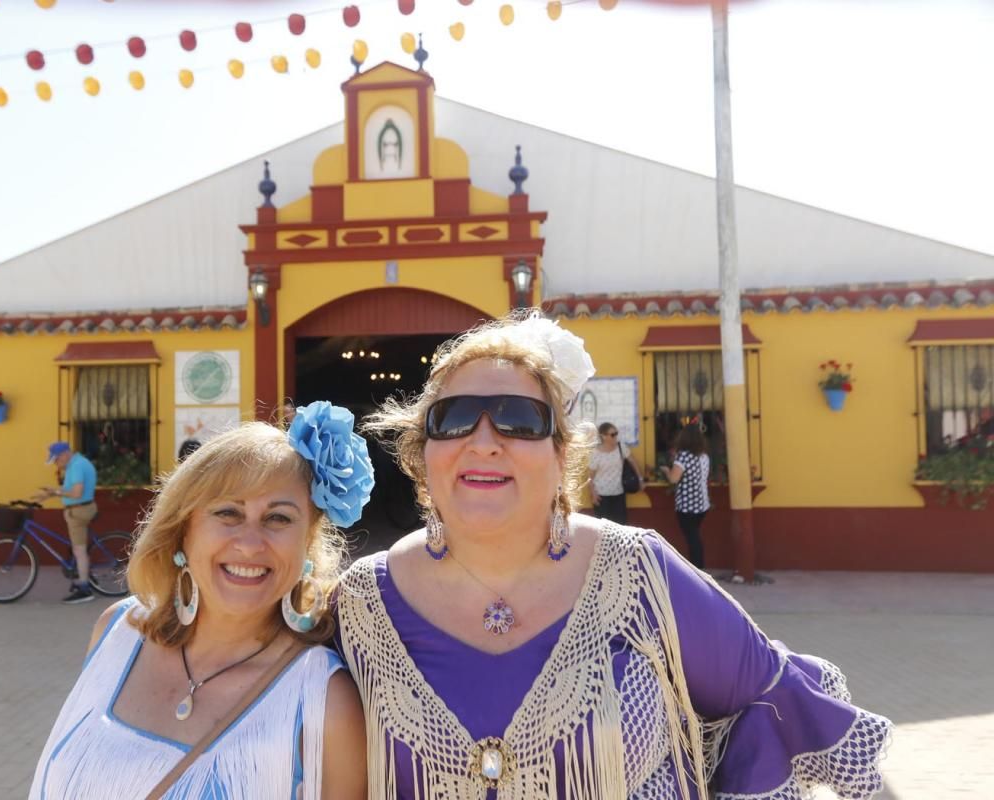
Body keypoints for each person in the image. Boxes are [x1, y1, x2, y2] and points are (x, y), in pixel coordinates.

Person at [341, 311, 891, 799]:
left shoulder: (639, 571)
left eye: (518, 418)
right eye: (455, 417)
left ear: (561, 454)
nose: (484, 440)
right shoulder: (363, 602)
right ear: (422, 452)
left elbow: (780, 693)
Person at [30, 409, 371, 799]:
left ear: (306, 545)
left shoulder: (325, 703)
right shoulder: (116, 632)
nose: (250, 542)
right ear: (182, 533)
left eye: (278, 518)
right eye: (228, 512)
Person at [34, 441, 99, 604]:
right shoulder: (77, 463)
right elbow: (71, 490)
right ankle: (84, 576)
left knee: (79, 550)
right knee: (77, 549)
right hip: (81, 508)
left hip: (79, 511)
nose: (56, 464)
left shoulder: (76, 466)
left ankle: (85, 588)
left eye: (56, 460)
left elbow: (77, 493)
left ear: (64, 455)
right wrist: (50, 494)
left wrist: (55, 492)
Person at [660, 423, 711, 569]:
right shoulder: (704, 456)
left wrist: (665, 470)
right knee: (695, 536)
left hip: (687, 506)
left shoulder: (683, 457)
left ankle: (697, 569)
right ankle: (699, 567)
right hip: (703, 504)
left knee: (692, 538)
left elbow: (673, 479)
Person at [586, 422, 641, 525]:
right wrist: (592, 493)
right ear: (603, 436)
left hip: (618, 493)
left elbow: (633, 462)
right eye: (612, 434)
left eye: (616, 433)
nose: (615, 436)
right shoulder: (595, 453)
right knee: (604, 528)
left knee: (621, 525)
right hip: (601, 495)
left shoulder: (621, 447)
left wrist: (640, 479)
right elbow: (590, 476)